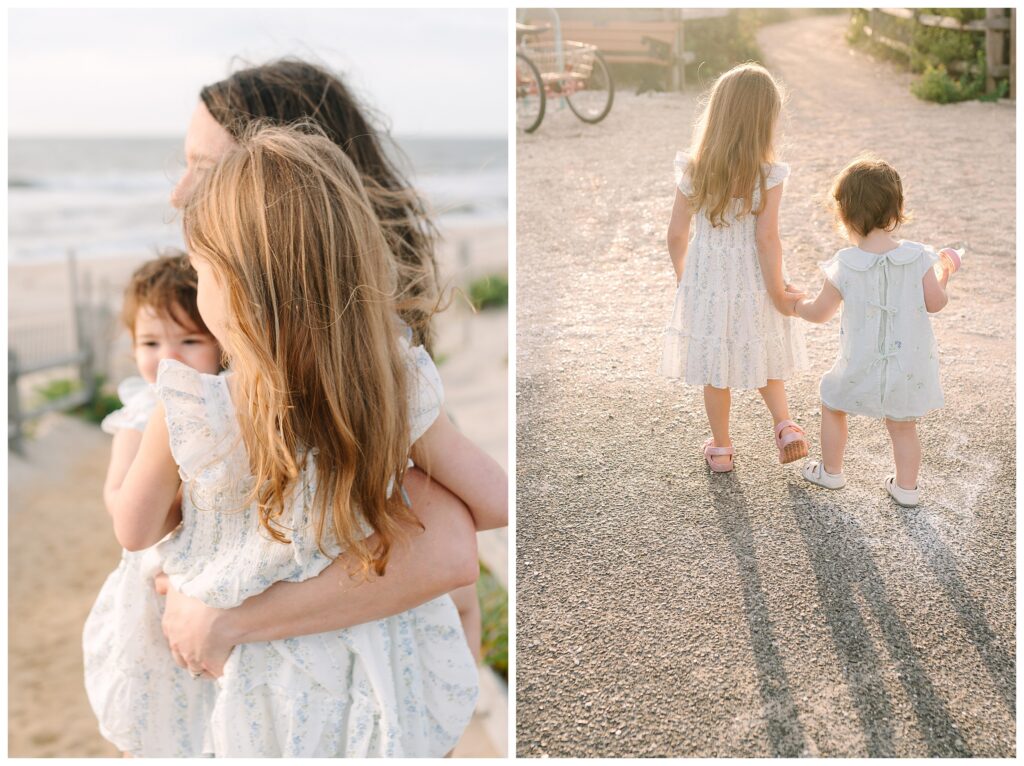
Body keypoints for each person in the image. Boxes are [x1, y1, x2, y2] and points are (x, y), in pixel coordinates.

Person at [108, 125, 488, 756]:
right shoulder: (392, 391)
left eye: (201, 273)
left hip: (262, 690)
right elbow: (494, 502)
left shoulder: (189, 412)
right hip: (372, 676)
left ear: (233, 288)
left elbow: (132, 529)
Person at [160, 58, 503, 678]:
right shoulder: (231, 337)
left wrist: (226, 618)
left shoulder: (366, 362)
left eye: (206, 170)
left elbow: (447, 547)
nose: (178, 195)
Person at [82, 253, 223, 755]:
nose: (168, 359)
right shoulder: (142, 413)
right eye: (150, 343)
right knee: (159, 697)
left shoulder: (224, 403)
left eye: (189, 340)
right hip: (155, 571)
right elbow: (119, 500)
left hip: (216, 574)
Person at [661, 63, 808, 472]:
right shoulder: (768, 175)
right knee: (762, 350)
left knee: (715, 365)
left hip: (708, 277)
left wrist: (685, 280)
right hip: (754, 277)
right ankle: (786, 426)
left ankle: (722, 448)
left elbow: (675, 234)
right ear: (764, 122)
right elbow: (767, 238)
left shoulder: (694, 168)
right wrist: (777, 290)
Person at [792, 156, 951, 507]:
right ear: (897, 208)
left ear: (844, 212)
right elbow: (935, 303)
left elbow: (819, 313)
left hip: (859, 361)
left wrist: (795, 305)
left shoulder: (846, 264)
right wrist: (945, 273)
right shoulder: (918, 257)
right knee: (903, 423)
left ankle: (832, 471)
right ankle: (907, 488)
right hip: (906, 364)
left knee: (833, 402)